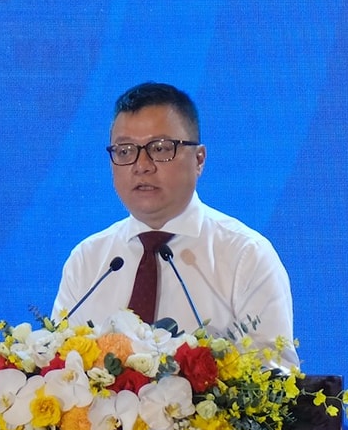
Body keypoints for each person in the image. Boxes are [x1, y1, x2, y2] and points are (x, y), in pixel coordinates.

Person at [54, 82, 294, 352]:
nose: (141, 166)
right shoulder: (88, 261)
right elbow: (58, 363)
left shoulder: (246, 256)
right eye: (125, 151)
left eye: (160, 148)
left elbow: (275, 371)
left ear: (199, 159)